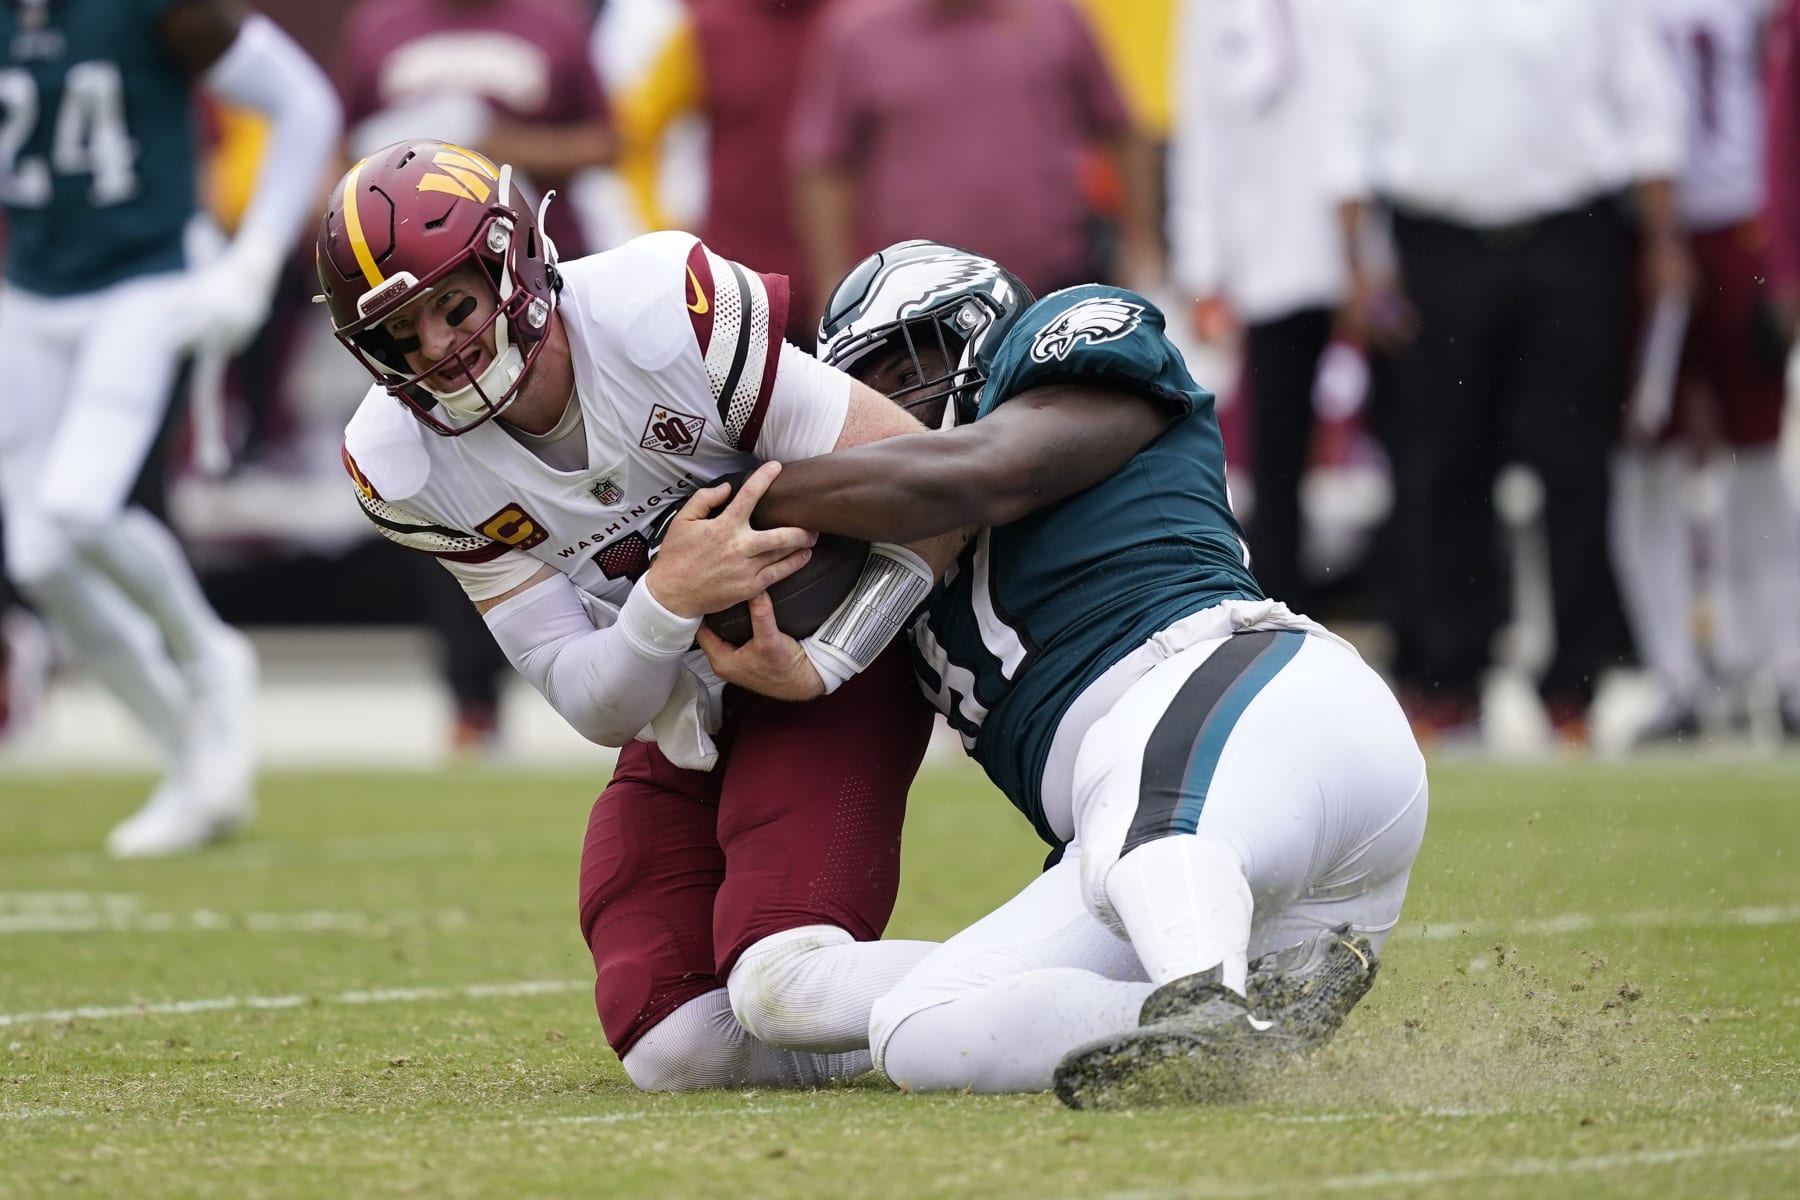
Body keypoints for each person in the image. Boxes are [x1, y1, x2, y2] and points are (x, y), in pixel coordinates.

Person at [712, 240, 1428, 1108]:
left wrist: (739, 498)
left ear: (978, 331)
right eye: (864, 387)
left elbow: (987, 469)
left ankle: (1204, 997)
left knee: (1147, 820)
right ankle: (1255, 1019)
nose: (886, 404)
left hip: (1259, 698)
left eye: (905, 367)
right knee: (921, 1027)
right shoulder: (887, 571)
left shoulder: (1063, 342)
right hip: (1147, 846)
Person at [316, 140, 959, 1090]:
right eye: (402, 339)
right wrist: (664, 601)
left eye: (453, 305)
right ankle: (959, 1009)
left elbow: (930, 484)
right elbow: (594, 703)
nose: (439, 350)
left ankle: (1075, 976)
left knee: (782, 979)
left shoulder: (661, 315)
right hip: (682, 699)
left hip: (817, 662)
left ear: (519, 263)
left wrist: (829, 660)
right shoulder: (403, 464)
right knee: (674, 1044)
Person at [0, 0, 340, 855]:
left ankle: (210, 658)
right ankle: (188, 754)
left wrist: (254, 261)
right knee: (37, 558)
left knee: (78, 509)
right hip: (31, 289)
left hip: (142, 279)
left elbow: (305, 103)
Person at [1329, 1, 1689, 745]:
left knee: (1575, 461)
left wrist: (1662, 238)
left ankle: (1575, 687)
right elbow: (1347, 122)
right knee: (1443, 463)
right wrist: (1358, 265)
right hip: (1438, 240)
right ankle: (1450, 679)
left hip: (1574, 234)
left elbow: (1646, 102)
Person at [334, 0, 620, 754]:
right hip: (422, 318)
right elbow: (340, 162)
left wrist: (498, 146)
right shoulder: (378, 28)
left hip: (519, 293)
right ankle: (471, 702)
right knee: (448, 489)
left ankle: (634, 650)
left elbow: (609, 142)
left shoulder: (553, 24)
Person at [786, 0, 1160, 301]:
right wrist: (833, 278)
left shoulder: (1053, 14)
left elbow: (1119, 129)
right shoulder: (858, 30)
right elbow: (823, 164)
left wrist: (1141, 240)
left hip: (1052, 290)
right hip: (917, 300)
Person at [612, 0, 833, 348]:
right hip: (738, 291)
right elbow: (634, 134)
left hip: (851, 284)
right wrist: (662, 232)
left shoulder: (863, 23)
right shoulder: (707, 29)